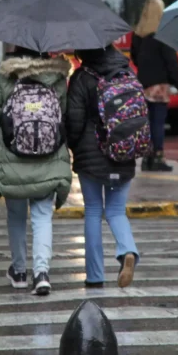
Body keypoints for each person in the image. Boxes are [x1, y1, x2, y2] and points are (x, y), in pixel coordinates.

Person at [0, 47, 72, 296]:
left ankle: (18, 272)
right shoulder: (57, 77)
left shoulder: (6, 74)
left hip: (10, 160)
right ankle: (41, 272)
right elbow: (63, 119)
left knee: (16, 216)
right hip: (49, 160)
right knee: (41, 217)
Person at [66, 46, 140, 288]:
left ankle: (95, 275)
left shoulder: (82, 77)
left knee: (94, 211)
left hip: (91, 154)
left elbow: (74, 123)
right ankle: (127, 250)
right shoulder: (126, 72)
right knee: (117, 210)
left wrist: (73, 147)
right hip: (124, 150)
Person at [130, 0, 178, 172]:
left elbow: (135, 58)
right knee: (158, 123)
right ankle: (158, 158)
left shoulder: (138, 36)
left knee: (147, 123)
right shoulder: (164, 35)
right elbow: (171, 62)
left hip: (144, 85)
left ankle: (147, 158)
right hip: (160, 87)